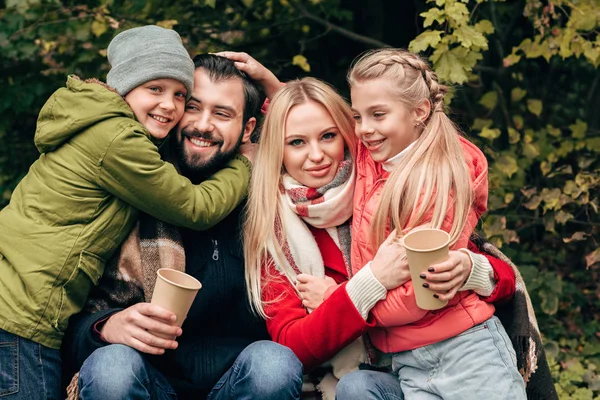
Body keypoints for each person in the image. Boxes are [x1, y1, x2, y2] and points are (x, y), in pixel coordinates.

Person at [0, 26, 253, 400]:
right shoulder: (120, 141)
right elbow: (196, 207)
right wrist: (247, 164)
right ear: (122, 88)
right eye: (154, 89)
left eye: (180, 94)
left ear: (248, 125)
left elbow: (307, 118)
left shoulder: (108, 129)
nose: (169, 104)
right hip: (23, 313)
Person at [241, 76, 517, 397]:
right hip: (382, 376)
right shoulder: (277, 228)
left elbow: (503, 281)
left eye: (328, 136)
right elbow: (292, 347)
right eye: (297, 142)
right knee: (357, 388)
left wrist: (473, 270)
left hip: (446, 352)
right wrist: (367, 284)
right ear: (278, 150)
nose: (316, 155)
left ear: (347, 135)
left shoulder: (380, 186)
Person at [62, 54, 303, 400]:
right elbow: (68, 316)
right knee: (110, 367)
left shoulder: (274, 192)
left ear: (249, 129)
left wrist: (275, 87)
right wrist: (103, 327)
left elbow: (340, 144)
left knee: (274, 364)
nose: (203, 125)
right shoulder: (136, 185)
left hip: (241, 382)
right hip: (150, 381)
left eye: (221, 113)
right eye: (193, 107)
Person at [330, 48, 526, 399]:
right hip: (409, 364)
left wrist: (352, 303)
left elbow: (423, 295)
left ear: (419, 112)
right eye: (358, 116)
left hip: (466, 353)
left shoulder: (442, 177)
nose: (364, 129)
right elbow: (313, 116)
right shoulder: (375, 153)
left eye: (378, 114)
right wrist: (271, 89)